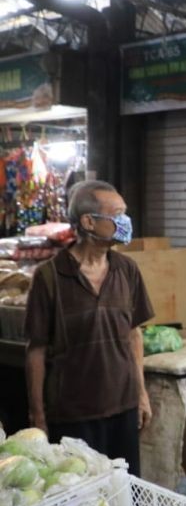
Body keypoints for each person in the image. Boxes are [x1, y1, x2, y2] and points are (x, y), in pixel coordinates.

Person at [24, 180, 154, 474]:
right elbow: (36, 351)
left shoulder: (127, 270)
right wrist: (38, 416)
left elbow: (133, 334)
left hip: (122, 408)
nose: (125, 222)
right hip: (73, 415)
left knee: (123, 497)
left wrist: (141, 394)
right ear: (89, 222)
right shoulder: (49, 277)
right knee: (81, 503)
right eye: (117, 214)